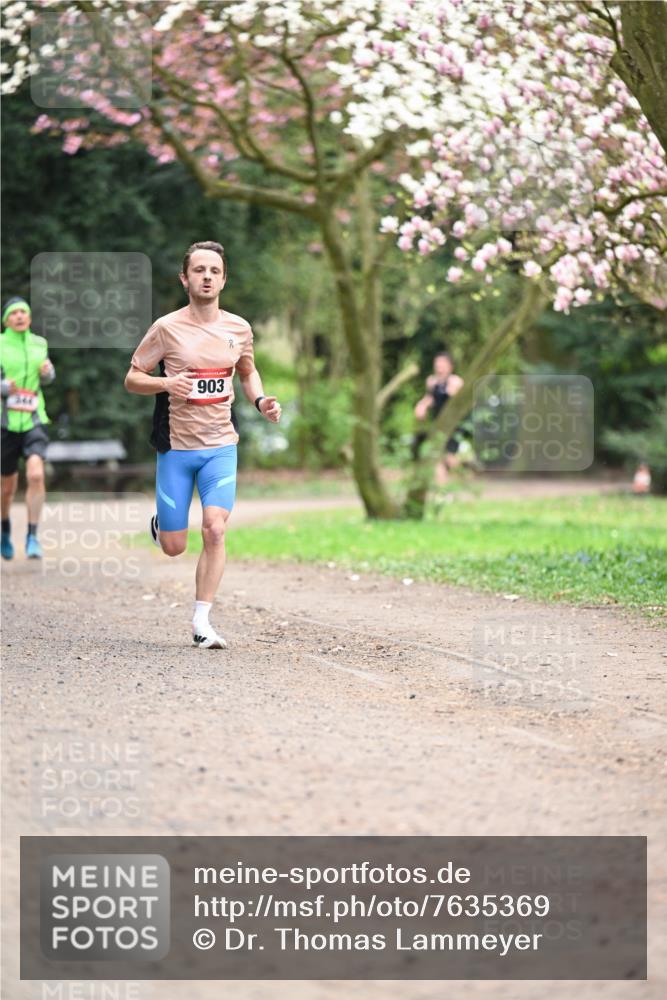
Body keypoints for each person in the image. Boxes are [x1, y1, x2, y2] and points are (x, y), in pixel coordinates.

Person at [124, 240, 281, 649]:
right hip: (176, 448)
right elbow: (132, 377)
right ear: (185, 278)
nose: (207, 276)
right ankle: (162, 527)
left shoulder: (239, 329)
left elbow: (247, 372)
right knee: (175, 547)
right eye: (199, 270)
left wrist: (261, 400)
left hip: (220, 446)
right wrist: (166, 382)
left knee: (215, 529)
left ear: (223, 279)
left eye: (214, 271)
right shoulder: (166, 328)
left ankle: (201, 621)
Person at [1, 296, 56, 560]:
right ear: (6, 320)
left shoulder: (39, 343)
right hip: (5, 423)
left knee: (35, 475)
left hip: (35, 419)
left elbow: (48, 376)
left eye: (24, 312)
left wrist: (47, 372)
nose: (20, 316)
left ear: (30, 318)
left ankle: (33, 536)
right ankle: (4, 529)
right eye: (14, 313)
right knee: (6, 488)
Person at [413, 351, 464, 486]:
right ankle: (442, 489)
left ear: (450, 366)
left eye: (443, 364)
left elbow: (458, 402)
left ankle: (461, 479)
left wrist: (451, 391)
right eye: (437, 364)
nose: (439, 367)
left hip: (453, 426)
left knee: (450, 458)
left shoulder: (456, 381)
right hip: (438, 424)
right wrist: (421, 406)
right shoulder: (431, 381)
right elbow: (430, 398)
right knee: (436, 457)